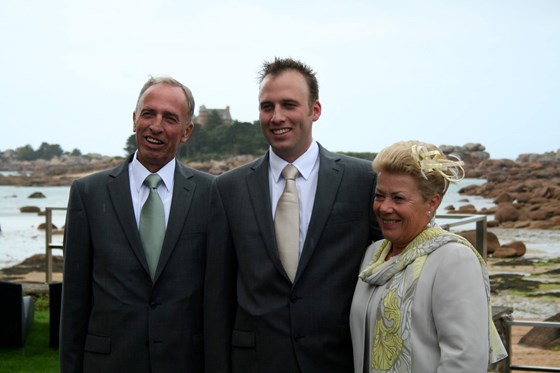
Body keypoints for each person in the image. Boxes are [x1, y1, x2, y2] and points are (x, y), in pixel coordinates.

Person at [204, 57, 382, 373]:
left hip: (338, 359)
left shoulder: (363, 180)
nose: (277, 117)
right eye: (267, 106)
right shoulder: (227, 189)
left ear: (315, 110)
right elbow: (218, 295)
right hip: (255, 362)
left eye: (289, 104)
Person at [60, 76, 213, 373]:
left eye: (170, 118)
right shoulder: (88, 194)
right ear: (134, 120)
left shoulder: (212, 194)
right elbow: (74, 303)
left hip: (185, 361)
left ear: (186, 132)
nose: (156, 126)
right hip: (108, 363)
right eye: (148, 114)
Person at [350, 140, 507, 373]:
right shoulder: (373, 255)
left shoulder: (453, 260)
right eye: (380, 196)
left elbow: (465, 360)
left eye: (398, 198)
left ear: (432, 202)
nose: (384, 207)